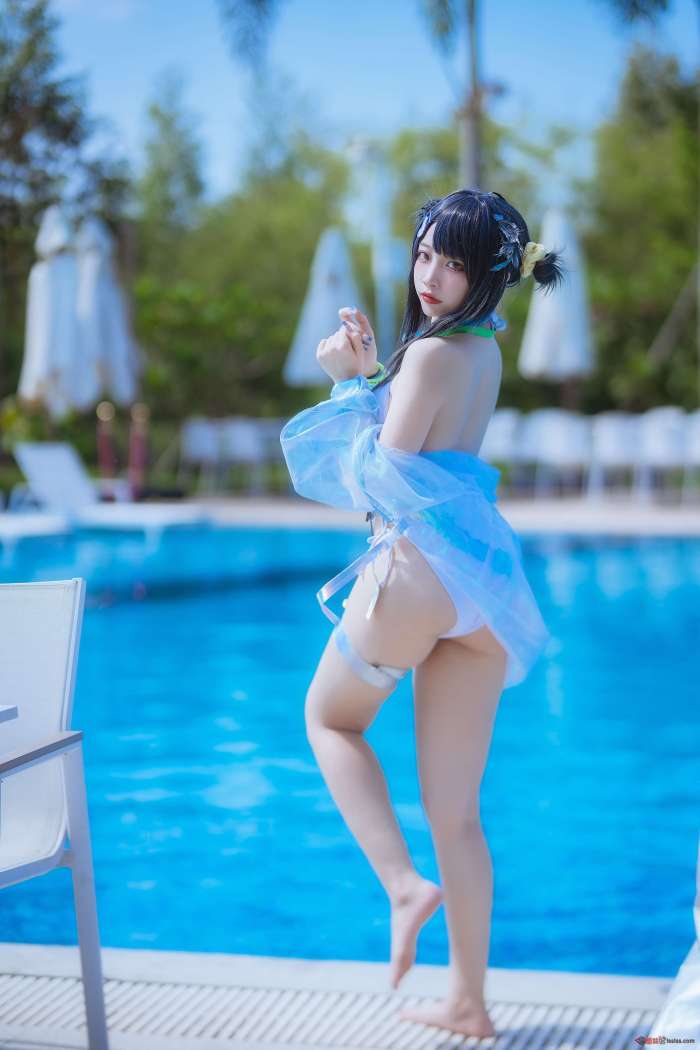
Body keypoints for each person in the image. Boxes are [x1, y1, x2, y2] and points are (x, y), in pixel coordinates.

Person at [279, 188, 566, 1039]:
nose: (431, 275)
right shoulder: (482, 351)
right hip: (479, 586)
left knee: (329, 721)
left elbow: (380, 475)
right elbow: (428, 442)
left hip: (416, 573)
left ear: (490, 274)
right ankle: (470, 1003)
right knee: (457, 814)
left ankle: (404, 888)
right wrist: (374, 375)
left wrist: (345, 383)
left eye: (454, 262)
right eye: (426, 254)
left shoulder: (434, 352)